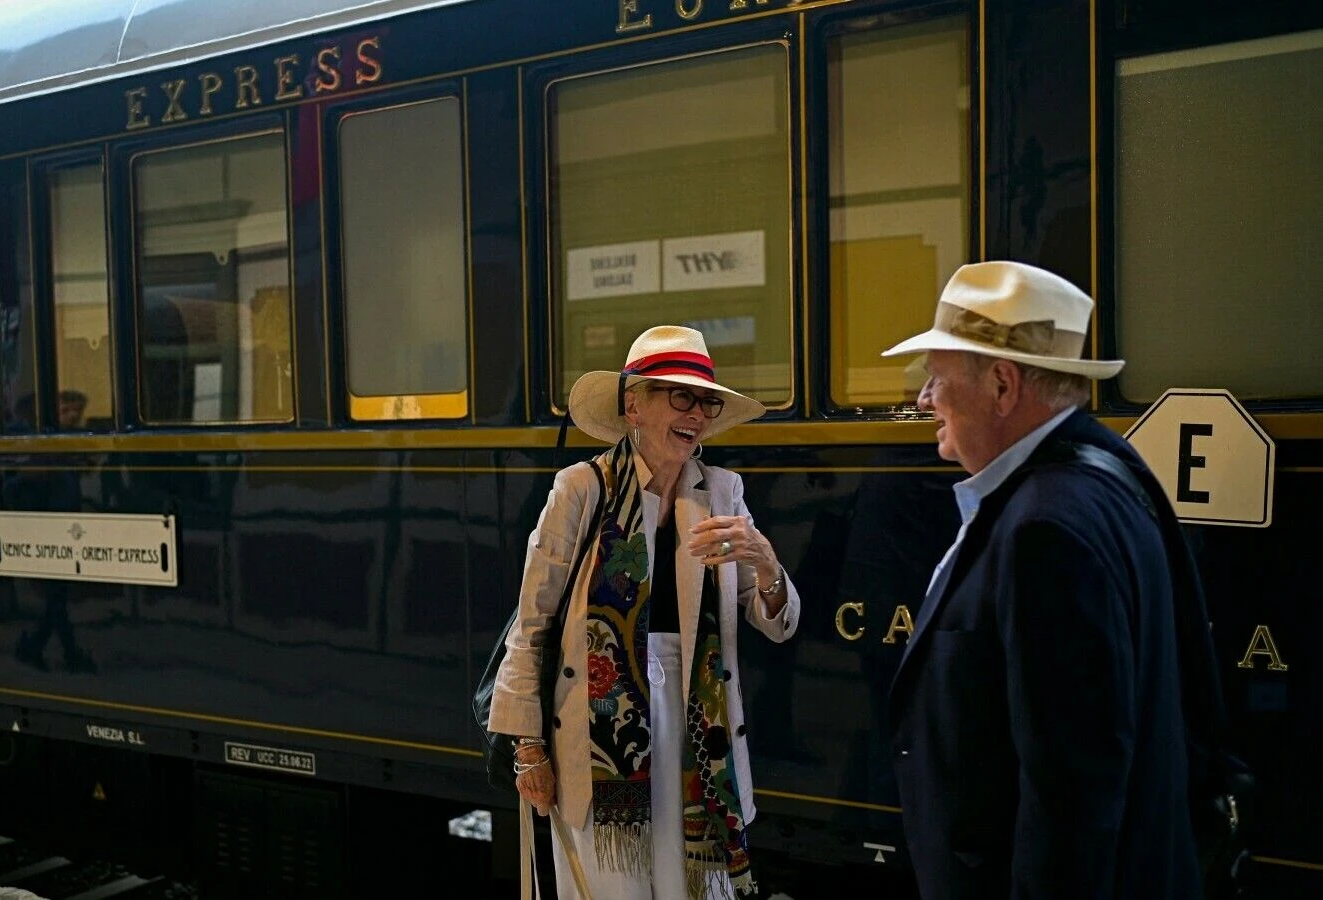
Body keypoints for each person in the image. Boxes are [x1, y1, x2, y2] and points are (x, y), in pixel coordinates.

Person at [879, 261, 1221, 898]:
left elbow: (1072, 793)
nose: (924, 398)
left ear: (1003, 385)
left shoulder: (1045, 530)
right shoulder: (1110, 475)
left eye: (937, 377)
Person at [488, 325, 801, 899]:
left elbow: (777, 620)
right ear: (634, 404)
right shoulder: (582, 490)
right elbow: (531, 626)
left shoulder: (724, 491)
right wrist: (527, 749)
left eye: (705, 400)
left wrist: (765, 561)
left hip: (697, 728)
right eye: (679, 395)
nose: (697, 413)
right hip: (597, 735)